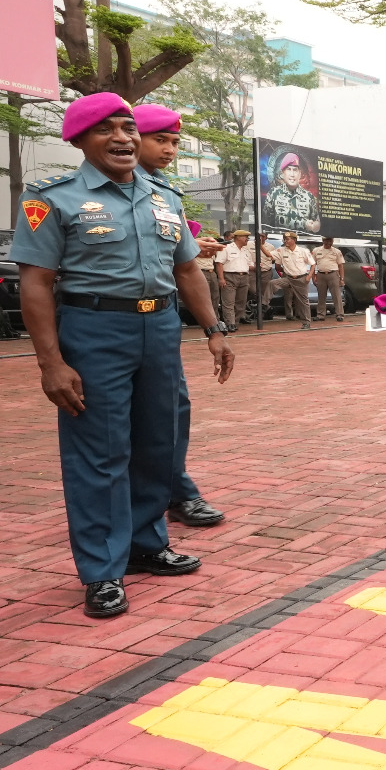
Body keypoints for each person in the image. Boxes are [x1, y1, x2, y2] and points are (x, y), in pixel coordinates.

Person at [8, 93, 233, 618]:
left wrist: (214, 329)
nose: (123, 138)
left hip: (159, 328)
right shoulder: (53, 198)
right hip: (93, 328)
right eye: (106, 129)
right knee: (100, 451)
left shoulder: (164, 196)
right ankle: (102, 571)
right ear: (80, 140)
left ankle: (146, 545)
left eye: (128, 127)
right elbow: (36, 283)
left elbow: (187, 271)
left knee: (159, 441)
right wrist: (51, 363)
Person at [132, 103, 228, 529]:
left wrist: (214, 328)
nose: (170, 149)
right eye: (161, 139)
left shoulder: (165, 189)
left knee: (172, 410)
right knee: (115, 422)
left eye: (174, 141)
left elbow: (176, 254)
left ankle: (174, 491)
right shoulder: (86, 192)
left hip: (159, 319)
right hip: (102, 321)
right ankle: (129, 509)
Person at [263, 232, 314, 328]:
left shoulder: (303, 251)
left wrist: (309, 276)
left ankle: (306, 322)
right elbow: (268, 255)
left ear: (294, 240)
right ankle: (264, 304)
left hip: (301, 278)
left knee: (303, 302)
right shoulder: (281, 250)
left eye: (288, 239)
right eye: (284, 239)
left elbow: (313, 264)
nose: (285, 241)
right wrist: (260, 245)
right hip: (288, 278)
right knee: (272, 283)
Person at [265, 153, 320, 233]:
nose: (292, 174)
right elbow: (266, 224)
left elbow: (316, 224)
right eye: (289, 169)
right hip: (280, 242)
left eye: (295, 170)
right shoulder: (273, 194)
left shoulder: (309, 197)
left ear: (300, 173)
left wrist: (313, 226)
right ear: (282, 173)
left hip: (303, 243)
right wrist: (303, 224)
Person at [219, 230, 254, 330]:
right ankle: (230, 323)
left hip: (244, 276)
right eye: (245, 237)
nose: (247, 239)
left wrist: (256, 267)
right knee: (228, 301)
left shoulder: (246, 251)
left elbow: (250, 265)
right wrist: (221, 278)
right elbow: (219, 263)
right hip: (230, 276)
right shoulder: (227, 248)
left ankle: (236, 322)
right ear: (238, 237)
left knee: (241, 302)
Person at [312, 235, 345, 321]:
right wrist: (313, 276)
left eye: (330, 241)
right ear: (323, 241)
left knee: (336, 296)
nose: (328, 243)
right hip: (320, 274)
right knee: (321, 296)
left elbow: (340, 266)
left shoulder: (337, 251)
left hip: (333, 274)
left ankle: (340, 314)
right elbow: (313, 264)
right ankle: (320, 315)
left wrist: (341, 279)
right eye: (327, 241)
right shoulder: (316, 250)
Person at [254, 231, 275, 319]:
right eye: (259, 236)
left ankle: (263, 313)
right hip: (253, 272)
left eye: (263, 236)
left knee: (264, 292)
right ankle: (264, 309)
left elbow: (273, 259)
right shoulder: (249, 245)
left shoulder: (270, 247)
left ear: (266, 238)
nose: (261, 238)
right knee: (254, 290)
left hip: (265, 272)